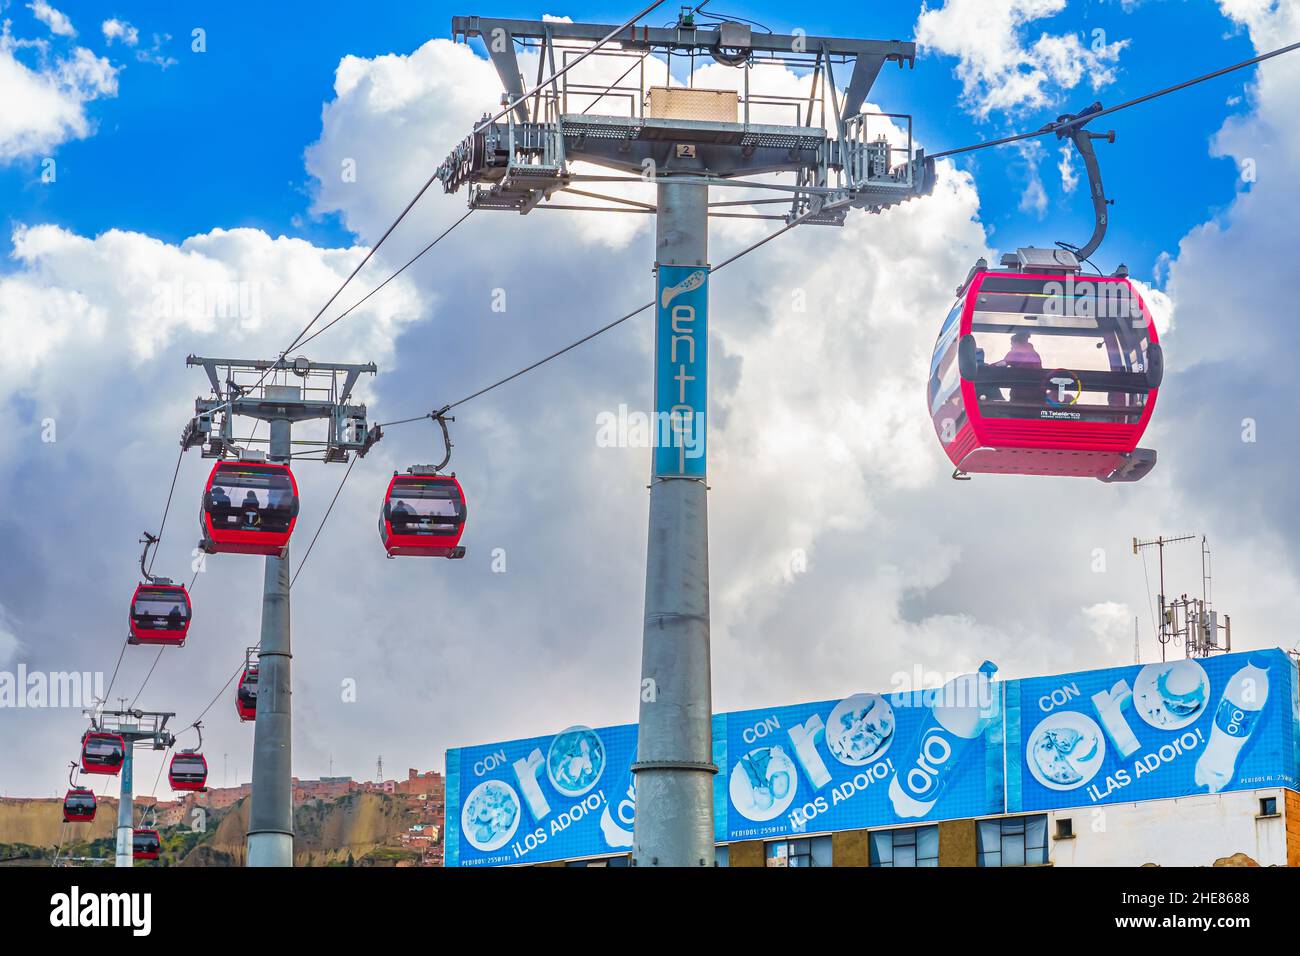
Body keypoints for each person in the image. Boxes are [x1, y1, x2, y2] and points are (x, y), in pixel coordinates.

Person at [995, 330, 1045, 408]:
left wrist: (988, 366)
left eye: (1011, 344)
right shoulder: (1035, 354)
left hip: (1020, 394)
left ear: (1016, 343)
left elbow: (1002, 364)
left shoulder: (1016, 352)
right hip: (1038, 395)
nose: (1011, 347)